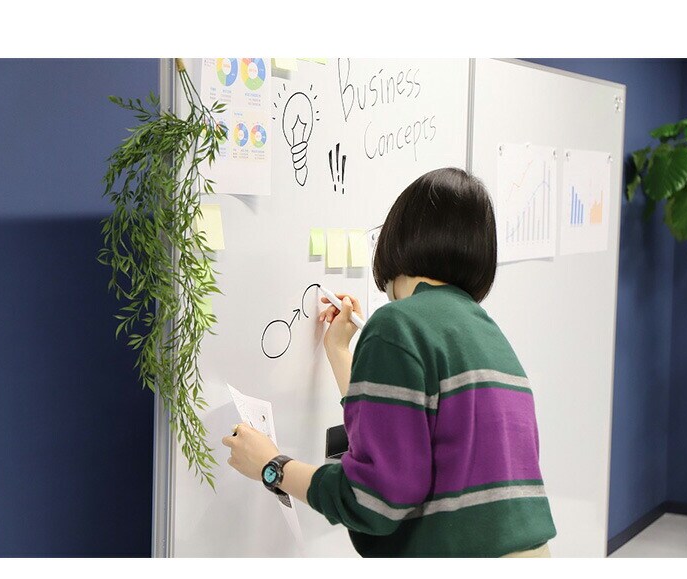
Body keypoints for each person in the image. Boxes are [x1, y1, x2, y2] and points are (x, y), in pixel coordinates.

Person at [222, 167, 557, 557]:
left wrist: (273, 467)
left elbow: (375, 500)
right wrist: (340, 352)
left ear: (398, 239)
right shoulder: (486, 333)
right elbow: (396, 431)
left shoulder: (398, 324)